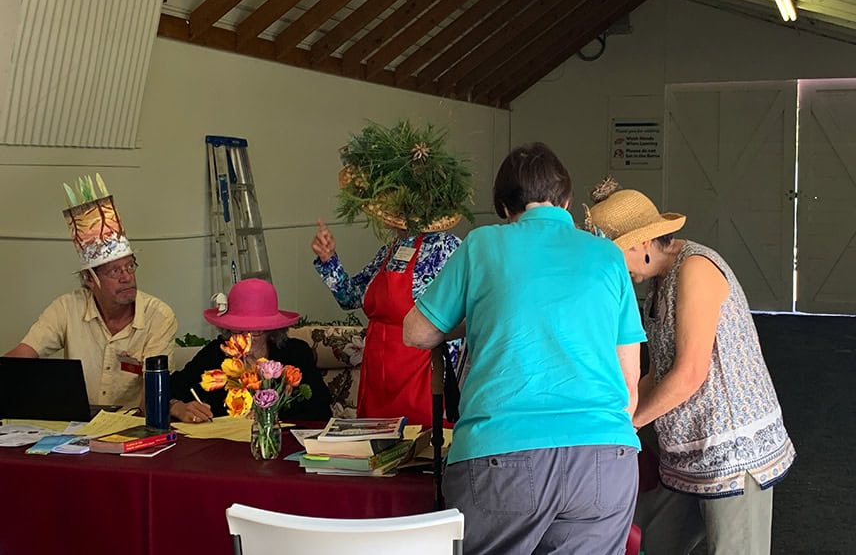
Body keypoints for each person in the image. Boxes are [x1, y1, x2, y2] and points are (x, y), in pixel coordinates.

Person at [402, 143, 644, 554]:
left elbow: (416, 332)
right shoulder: (608, 256)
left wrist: (476, 319)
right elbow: (629, 387)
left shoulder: (481, 246)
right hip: (606, 456)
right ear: (566, 201)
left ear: (502, 207)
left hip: (502, 455)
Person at [586, 177, 796, 555]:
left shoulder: (694, 268)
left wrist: (628, 423)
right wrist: (615, 417)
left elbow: (690, 373)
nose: (613, 269)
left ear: (644, 242)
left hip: (732, 450)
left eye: (617, 256)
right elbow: (657, 375)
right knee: (652, 537)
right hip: (687, 450)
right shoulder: (656, 280)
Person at [312, 120, 472, 427]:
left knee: (420, 457)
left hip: (423, 378)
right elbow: (350, 298)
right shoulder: (390, 250)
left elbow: (464, 314)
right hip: (377, 378)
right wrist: (329, 259)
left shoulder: (446, 247)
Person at [6, 176, 176, 409]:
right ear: (89, 279)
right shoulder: (67, 307)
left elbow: (153, 400)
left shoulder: (158, 316)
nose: (127, 277)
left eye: (130, 266)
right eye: (115, 271)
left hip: (132, 427)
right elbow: (23, 356)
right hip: (76, 427)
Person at [169, 278, 331, 423]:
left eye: (256, 331)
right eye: (238, 330)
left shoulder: (296, 353)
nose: (246, 337)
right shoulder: (215, 353)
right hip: (223, 449)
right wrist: (177, 407)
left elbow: (321, 409)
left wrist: (273, 417)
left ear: (270, 331)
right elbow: (168, 390)